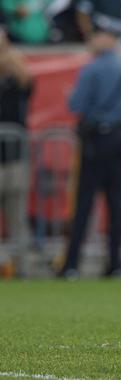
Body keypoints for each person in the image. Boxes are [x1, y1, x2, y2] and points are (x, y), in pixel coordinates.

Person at [58, 23, 121, 279]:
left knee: (84, 204)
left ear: (106, 38)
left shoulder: (91, 69)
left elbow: (76, 104)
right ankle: (115, 265)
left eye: (94, 35)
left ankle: (71, 264)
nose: (90, 40)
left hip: (96, 141)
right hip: (119, 138)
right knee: (116, 205)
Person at [0, 27, 32, 276]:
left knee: (17, 217)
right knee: (16, 218)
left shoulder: (16, 78)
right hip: (9, 157)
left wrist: (9, 55)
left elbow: (27, 82)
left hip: (14, 158)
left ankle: (21, 267)